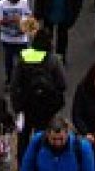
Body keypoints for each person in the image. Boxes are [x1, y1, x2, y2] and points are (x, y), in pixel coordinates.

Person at [10, 25, 67, 158]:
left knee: (23, 137)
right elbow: (63, 84)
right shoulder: (53, 60)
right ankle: (41, 164)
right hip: (46, 107)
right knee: (43, 137)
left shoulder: (24, 57)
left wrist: (16, 105)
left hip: (26, 104)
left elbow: (14, 84)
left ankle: (23, 166)